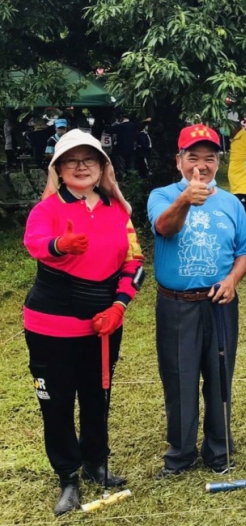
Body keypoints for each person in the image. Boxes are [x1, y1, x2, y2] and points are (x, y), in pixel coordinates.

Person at [23, 129, 144, 516]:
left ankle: (96, 462)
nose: (80, 166)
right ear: (58, 169)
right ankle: (68, 476)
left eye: (88, 159)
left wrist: (120, 307)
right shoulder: (47, 210)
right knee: (56, 403)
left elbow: (135, 264)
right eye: (71, 160)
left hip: (103, 323)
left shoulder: (118, 211)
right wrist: (61, 246)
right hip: (51, 324)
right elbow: (35, 243)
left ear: (102, 167)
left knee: (97, 396)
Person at [148, 124, 246, 479]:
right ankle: (180, 454)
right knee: (179, 378)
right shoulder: (162, 196)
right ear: (178, 160)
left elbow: (245, 250)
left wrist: (233, 279)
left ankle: (219, 449)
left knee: (220, 376)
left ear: (218, 162)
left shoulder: (231, 203)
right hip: (177, 304)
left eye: (209, 158)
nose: (201, 165)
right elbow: (164, 228)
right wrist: (184, 200)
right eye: (193, 157)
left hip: (220, 302)